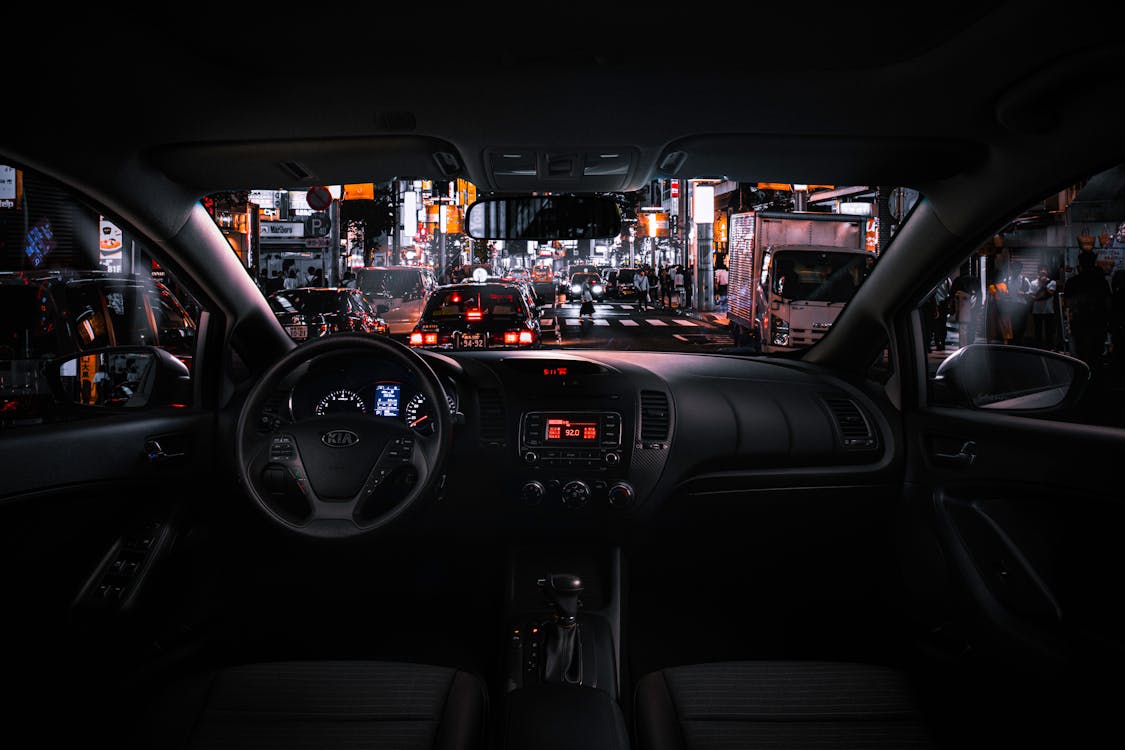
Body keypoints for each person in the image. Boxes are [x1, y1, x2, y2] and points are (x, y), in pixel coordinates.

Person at [1063, 250, 1111, 372]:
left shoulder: (1072, 282)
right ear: (1094, 263)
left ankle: (1083, 380)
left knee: (1081, 355)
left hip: (1080, 323)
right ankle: (1096, 381)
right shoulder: (1101, 282)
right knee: (1096, 354)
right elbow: (1108, 303)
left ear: (1080, 264)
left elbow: (1068, 304)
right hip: (1098, 323)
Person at [1028, 266, 1058, 350]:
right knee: (1038, 330)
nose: (1043, 274)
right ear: (1038, 273)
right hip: (1037, 310)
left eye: (1044, 273)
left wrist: (1044, 285)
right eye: (1041, 273)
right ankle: (1038, 348)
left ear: (1047, 273)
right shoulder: (1033, 283)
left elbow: (1050, 294)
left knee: (1049, 331)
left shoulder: (1052, 282)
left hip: (1048, 310)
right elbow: (1031, 295)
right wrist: (1037, 298)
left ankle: (1049, 348)